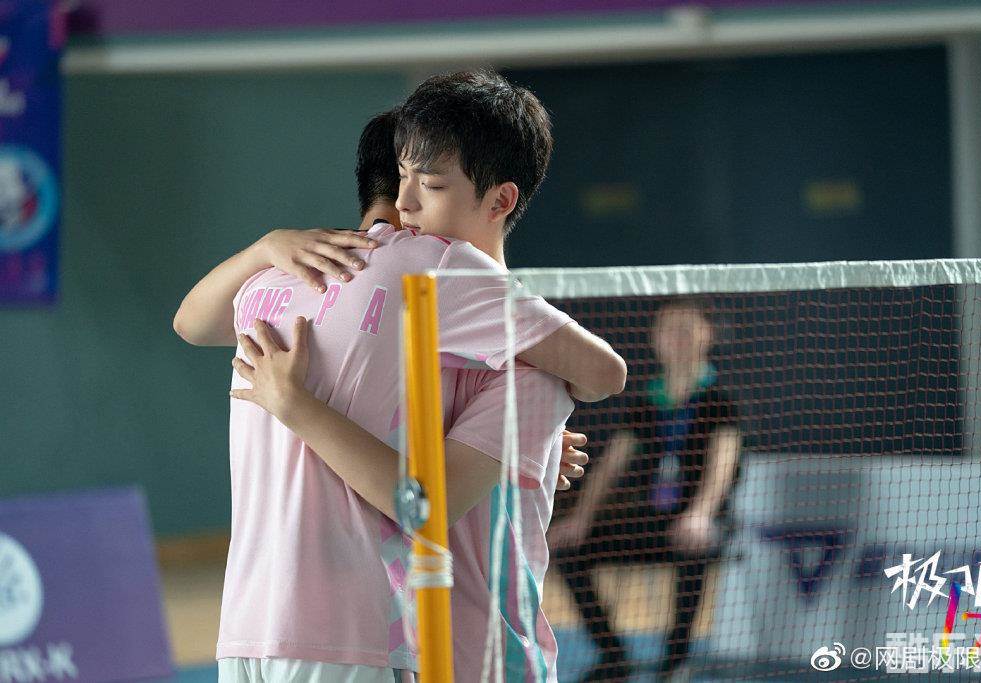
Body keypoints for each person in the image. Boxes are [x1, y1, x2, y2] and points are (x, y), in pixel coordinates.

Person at [174, 70, 626, 682]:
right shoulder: (442, 273)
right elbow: (603, 373)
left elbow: (189, 323)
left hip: (245, 629)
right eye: (407, 179)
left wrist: (264, 247)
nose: (409, 207)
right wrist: (297, 407)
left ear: (500, 199)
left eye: (431, 184)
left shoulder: (272, 282)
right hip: (377, 637)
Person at [548, 302, 742, 681]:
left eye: (687, 328)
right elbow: (609, 467)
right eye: (669, 329)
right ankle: (613, 655)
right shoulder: (646, 404)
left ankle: (677, 659)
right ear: (655, 340)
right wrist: (580, 519)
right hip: (651, 520)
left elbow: (722, 466)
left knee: (692, 548)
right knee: (569, 549)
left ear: (708, 335)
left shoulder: (721, 402)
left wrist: (700, 514)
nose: (677, 337)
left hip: (703, 521)